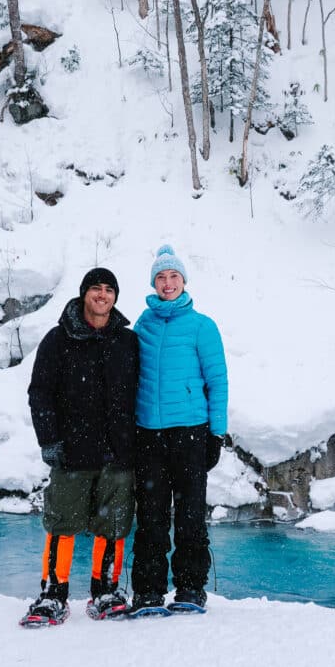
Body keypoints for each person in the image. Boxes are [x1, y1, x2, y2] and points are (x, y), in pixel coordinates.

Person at [23, 267, 139, 625]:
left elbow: (141, 393)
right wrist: (49, 441)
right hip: (73, 451)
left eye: (109, 289)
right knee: (62, 523)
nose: (102, 295)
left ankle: (105, 590)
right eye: (96, 289)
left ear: (115, 297)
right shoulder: (58, 340)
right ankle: (52, 594)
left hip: (118, 452)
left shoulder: (128, 341)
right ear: (84, 294)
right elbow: (39, 393)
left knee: (114, 526)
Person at [130, 244, 228, 613]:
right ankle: (148, 591)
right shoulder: (142, 324)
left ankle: (190, 588)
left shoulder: (202, 326)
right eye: (160, 277)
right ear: (153, 283)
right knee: (151, 517)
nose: (167, 283)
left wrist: (216, 433)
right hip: (149, 435)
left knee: (189, 515)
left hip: (190, 432)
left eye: (173, 276)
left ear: (184, 281)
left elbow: (217, 382)